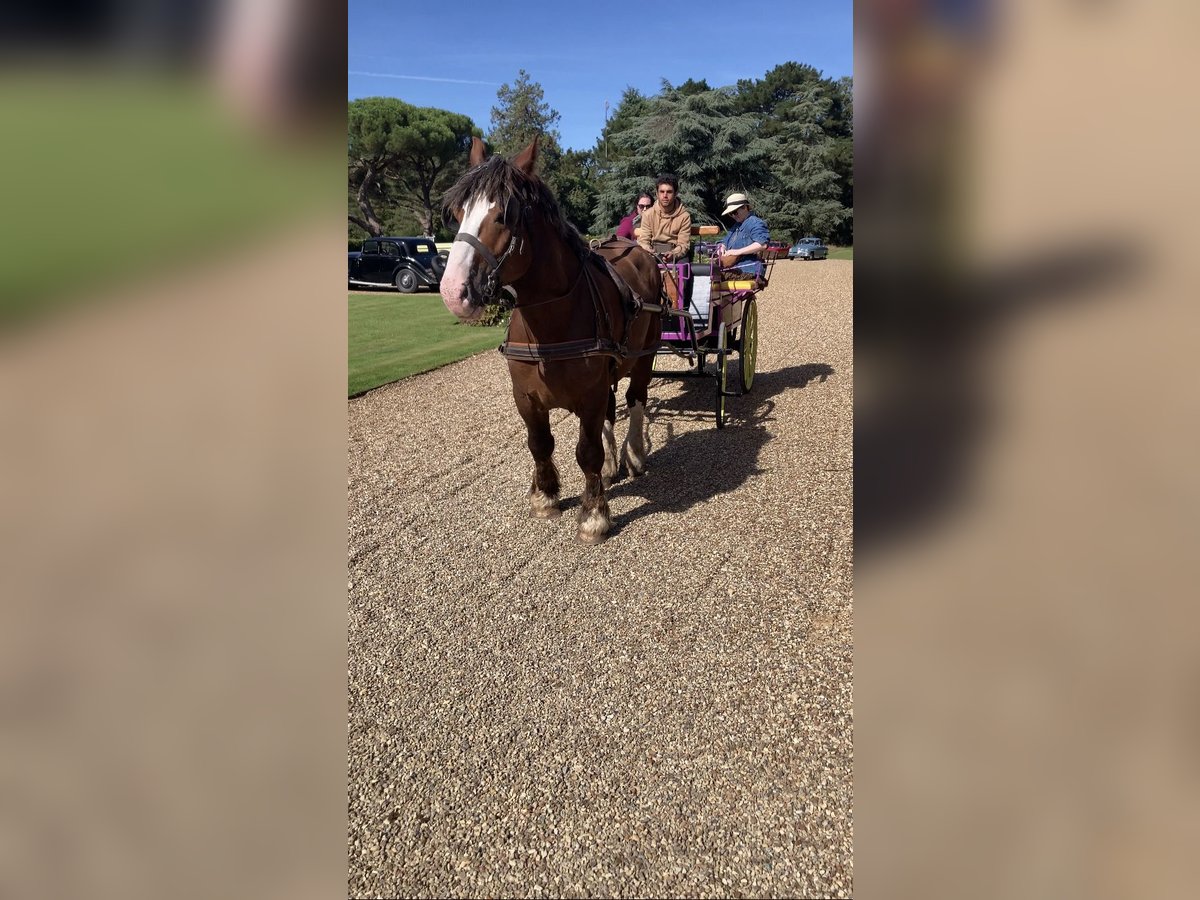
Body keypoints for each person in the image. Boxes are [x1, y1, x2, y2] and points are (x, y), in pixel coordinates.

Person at [636, 174, 693, 263]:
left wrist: (673, 253)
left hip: (675, 254)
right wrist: (648, 249)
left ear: (675, 193)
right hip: (653, 253)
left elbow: (683, 244)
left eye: (669, 192)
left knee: (683, 267)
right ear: (657, 193)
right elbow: (644, 240)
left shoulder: (684, 216)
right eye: (662, 192)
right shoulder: (648, 214)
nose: (665, 195)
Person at [715, 192, 770, 280]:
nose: (733, 216)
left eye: (734, 212)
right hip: (734, 269)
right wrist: (721, 247)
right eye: (730, 213)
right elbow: (724, 241)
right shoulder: (736, 225)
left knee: (710, 278)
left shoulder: (755, 223)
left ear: (745, 207)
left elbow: (762, 244)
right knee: (709, 274)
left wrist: (737, 252)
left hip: (748, 270)